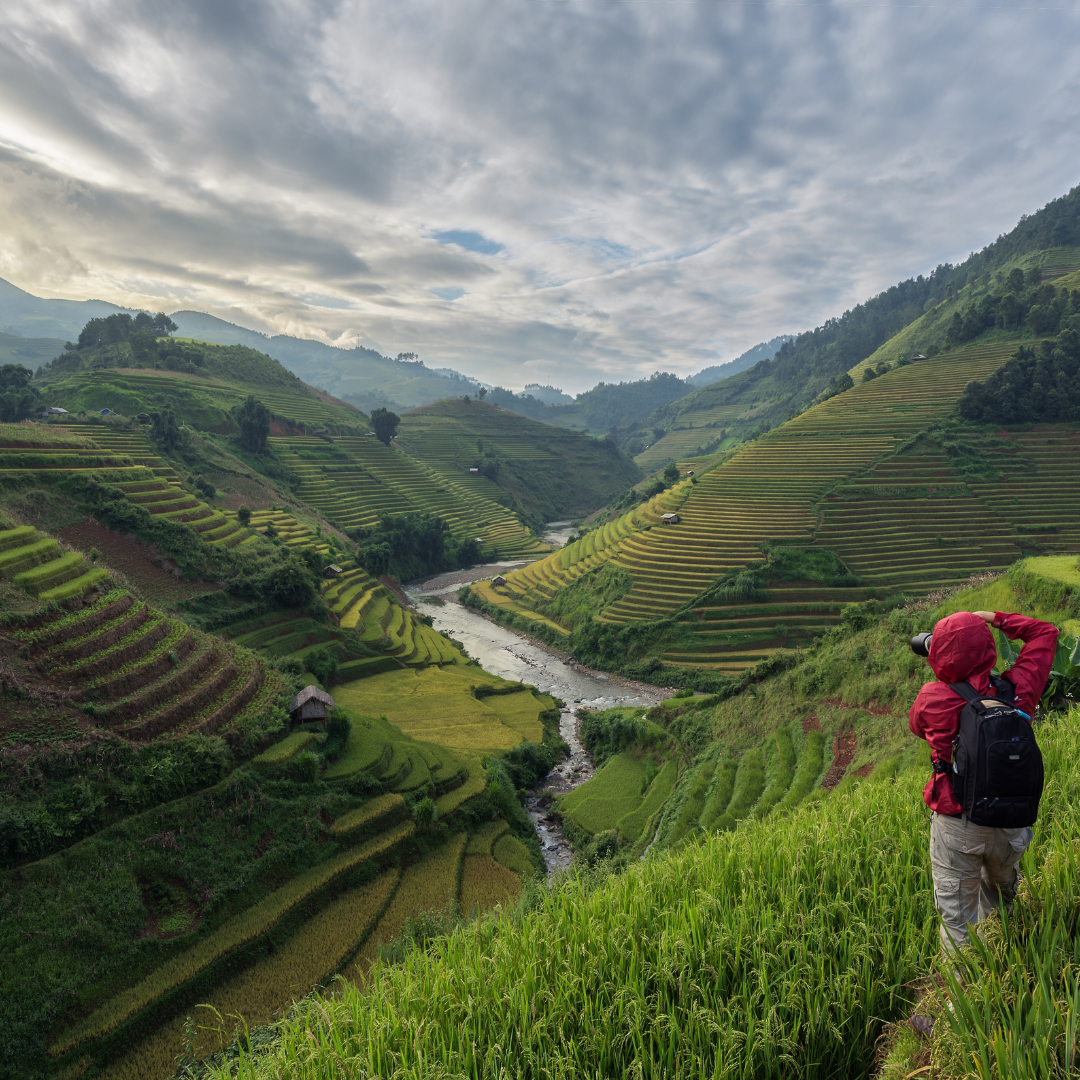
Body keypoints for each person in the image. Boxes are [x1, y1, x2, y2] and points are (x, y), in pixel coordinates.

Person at [909, 608, 1058, 958]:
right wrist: (994, 618)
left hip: (958, 825)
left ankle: (962, 1002)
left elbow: (917, 727)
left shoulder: (933, 698)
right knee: (999, 900)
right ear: (988, 648)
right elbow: (1046, 633)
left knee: (957, 921)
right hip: (1010, 823)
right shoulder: (1017, 689)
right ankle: (1003, 960)